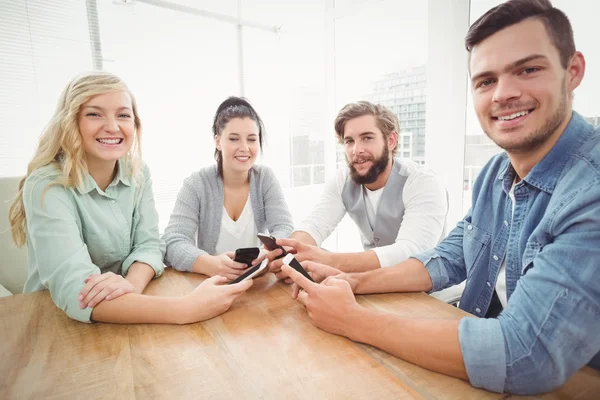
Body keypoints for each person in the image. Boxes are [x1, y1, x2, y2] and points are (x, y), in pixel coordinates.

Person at [282, 0, 600, 394]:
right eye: (485, 80)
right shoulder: (495, 174)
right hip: (478, 330)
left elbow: (525, 353)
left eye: (528, 69)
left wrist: (353, 320)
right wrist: (352, 280)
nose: (504, 93)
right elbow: (451, 257)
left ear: (573, 72)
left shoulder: (591, 189)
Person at [9, 72, 252, 324]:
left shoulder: (137, 172)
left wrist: (130, 287)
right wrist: (185, 309)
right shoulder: (46, 185)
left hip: (129, 308)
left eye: (123, 115)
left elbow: (149, 244)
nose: (113, 126)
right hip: (56, 320)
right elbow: (75, 290)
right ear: (70, 122)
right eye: (95, 114)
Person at [269, 101, 447, 281]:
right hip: (373, 283)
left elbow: (411, 250)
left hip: (428, 292)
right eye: (349, 141)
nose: (356, 150)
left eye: (367, 138)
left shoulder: (422, 182)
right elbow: (315, 224)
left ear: (391, 140)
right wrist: (292, 251)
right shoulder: (343, 180)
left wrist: (330, 260)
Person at [163, 97, 293, 281]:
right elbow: (173, 241)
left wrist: (266, 254)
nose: (244, 148)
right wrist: (208, 263)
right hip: (212, 284)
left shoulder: (265, 178)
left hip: (258, 283)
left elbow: (284, 227)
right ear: (218, 141)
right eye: (233, 139)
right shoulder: (196, 184)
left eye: (252, 139)